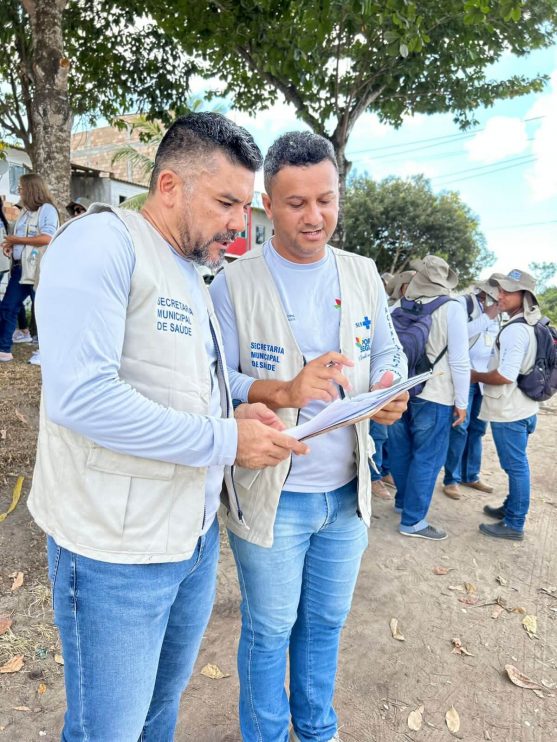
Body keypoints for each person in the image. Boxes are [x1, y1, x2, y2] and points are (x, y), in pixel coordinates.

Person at [28, 112, 308, 742]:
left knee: (159, 712)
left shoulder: (189, 270)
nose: (241, 223)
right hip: (114, 555)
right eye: (228, 203)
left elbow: (194, 383)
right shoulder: (102, 243)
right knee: (109, 729)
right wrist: (226, 439)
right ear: (171, 185)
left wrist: (260, 399)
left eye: (244, 206)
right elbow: (83, 397)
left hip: (191, 541)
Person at [210, 131, 408, 742]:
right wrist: (285, 392)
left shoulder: (362, 272)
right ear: (267, 203)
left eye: (326, 200)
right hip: (274, 495)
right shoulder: (233, 282)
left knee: (325, 622)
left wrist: (389, 387)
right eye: (297, 203)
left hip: (346, 496)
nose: (315, 216)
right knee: (269, 629)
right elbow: (219, 382)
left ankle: (318, 729)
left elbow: (389, 350)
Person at [388, 255, 470, 540]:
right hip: (435, 392)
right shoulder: (452, 308)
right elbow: (459, 359)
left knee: (400, 450)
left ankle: (402, 502)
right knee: (427, 456)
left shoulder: (400, 304)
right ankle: (413, 521)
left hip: (400, 390)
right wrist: (462, 402)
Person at [473, 269, 540, 540]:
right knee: (517, 464)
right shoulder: (532, 324)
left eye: (507, 291)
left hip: (510, 410)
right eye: (500, 290)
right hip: (525, 405)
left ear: (524, 296)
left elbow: (504, 375)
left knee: (516, 466)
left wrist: (475, 375)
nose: (500, 295)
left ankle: (514, 523)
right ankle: (510, 508)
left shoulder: (515, 331)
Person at [443, 281, 501, 499]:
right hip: (464, 376)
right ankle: (452, 479)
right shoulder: (461, 304)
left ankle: (471, 475)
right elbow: (456, 335)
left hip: (483, 379)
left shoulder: (500, 313)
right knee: (459, 428)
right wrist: (486, 317)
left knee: (477, 429)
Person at [0, 174, 58, 362]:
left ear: (31, 189)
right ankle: (4, 349)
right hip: (20, 268)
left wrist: (17, 240)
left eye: (21, 188)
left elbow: (47, 238)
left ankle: (46, 352)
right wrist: (11, 246)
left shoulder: (47, 210)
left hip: (39, 269)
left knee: (42, 310)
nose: (20, 191)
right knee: (8, 307)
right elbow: (21, 238)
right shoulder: (24, 212)